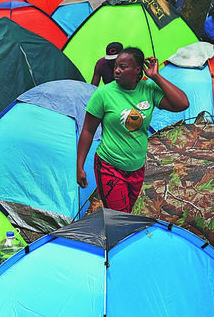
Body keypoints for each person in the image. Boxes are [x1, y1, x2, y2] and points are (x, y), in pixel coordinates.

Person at [76, 47, 189, 212]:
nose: (116, 70)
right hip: (110, 166)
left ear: (137, 70)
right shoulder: (103, 94)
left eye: (122, 67)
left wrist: (156, 77)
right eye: (116, 66)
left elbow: (182, 104)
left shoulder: (148, 90)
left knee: (126, 213)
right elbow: (87, 130)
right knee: (119, 217)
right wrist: (79, 166)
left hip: (137, 168)